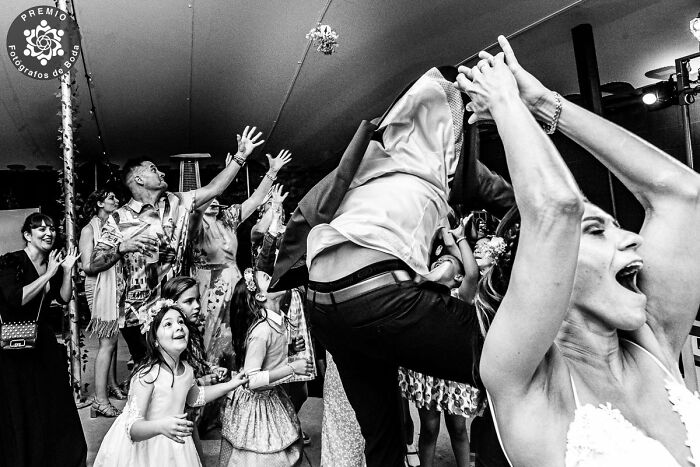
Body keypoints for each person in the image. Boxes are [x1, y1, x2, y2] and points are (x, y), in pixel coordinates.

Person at [457, 36, 700, 467]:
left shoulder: (654, 341)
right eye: (596, 230)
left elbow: (684, 194)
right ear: (541, 269)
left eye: (617, 228)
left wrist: (545, 104)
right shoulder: (524, 381)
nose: (631, 238)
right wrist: (502, 100)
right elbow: (557, 209)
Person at [292, 66, 514, 466]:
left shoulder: (373, 156)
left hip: (322, 304)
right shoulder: (432, 155)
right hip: (375, 295)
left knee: (383, 433)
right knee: (511, 364)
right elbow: (504, 195)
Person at [90, 125, 265, 367]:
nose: (161, 172)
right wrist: (123, 247)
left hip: (177, 309)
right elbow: (93, 264)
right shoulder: (119, 219)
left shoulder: (177, 202)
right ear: (139, 179)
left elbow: (214, 189)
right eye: (153, 169)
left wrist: (240, 157)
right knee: (148, 376)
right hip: (138, 314)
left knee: (181, 374)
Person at [93, 299, 248, 467]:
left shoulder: (187, 369)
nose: (178, 326)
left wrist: (231, 384)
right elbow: (133, 428)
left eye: (181, 322)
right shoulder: (147, 375)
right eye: (168, 324)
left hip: (174, 442)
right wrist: (162, 426)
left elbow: (194, 397)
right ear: (155, 341)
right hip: (146, 447)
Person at [192, 149, 292, 372]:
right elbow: (204, 198)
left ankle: (239, 374)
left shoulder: (228, 219)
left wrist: (272, 172)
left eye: (218, 199)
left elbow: (256, 200)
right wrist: (232, 168)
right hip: (210, 287)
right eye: (211, 199)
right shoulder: (195, 227)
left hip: (235, 283)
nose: (216, 201)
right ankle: (212, 375)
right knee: (212, 334)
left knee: (239, 330)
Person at [0, 213, 85, 467]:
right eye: (41, 229)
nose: (49, 233)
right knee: (21, 403)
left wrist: (66, 271)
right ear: (27, 235)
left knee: (52, 401)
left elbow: (63, 297)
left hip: (42, 341)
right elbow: (17, 298)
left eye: (51, 229)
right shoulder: (10, 262)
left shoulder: (53, 262)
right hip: (13, 344)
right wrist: (49, 274)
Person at [398, 224, 483, 467]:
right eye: (436, 263)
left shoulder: (462, 296)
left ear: (457, 276)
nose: (439, 263)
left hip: (454, 375)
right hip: (427, 373)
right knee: (429, 427)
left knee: (458, 428)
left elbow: (472, 274)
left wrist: (459, 239)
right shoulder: (421, 294)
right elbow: (416, 267)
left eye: (446, 262)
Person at [218, 268, 314, 466]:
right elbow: (252, 380)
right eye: (268, 278)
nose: (276, 278)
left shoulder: (276, 322)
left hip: (271, 396)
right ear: (261, 295)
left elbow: (267, 354)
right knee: (263, 455)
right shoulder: (261, 331)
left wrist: (289, 348)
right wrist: (292, 368)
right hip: (256, 404)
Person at [80, 189, 125, 418]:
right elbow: (87, 266)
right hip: (98, 285)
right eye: (111, 198)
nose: (116, 200)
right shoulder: (89, 230)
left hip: (116, 284)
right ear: (99, 203)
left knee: (113, 338)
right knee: (107, 340)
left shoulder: (114, 225)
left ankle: (112, 384)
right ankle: (100, 400)